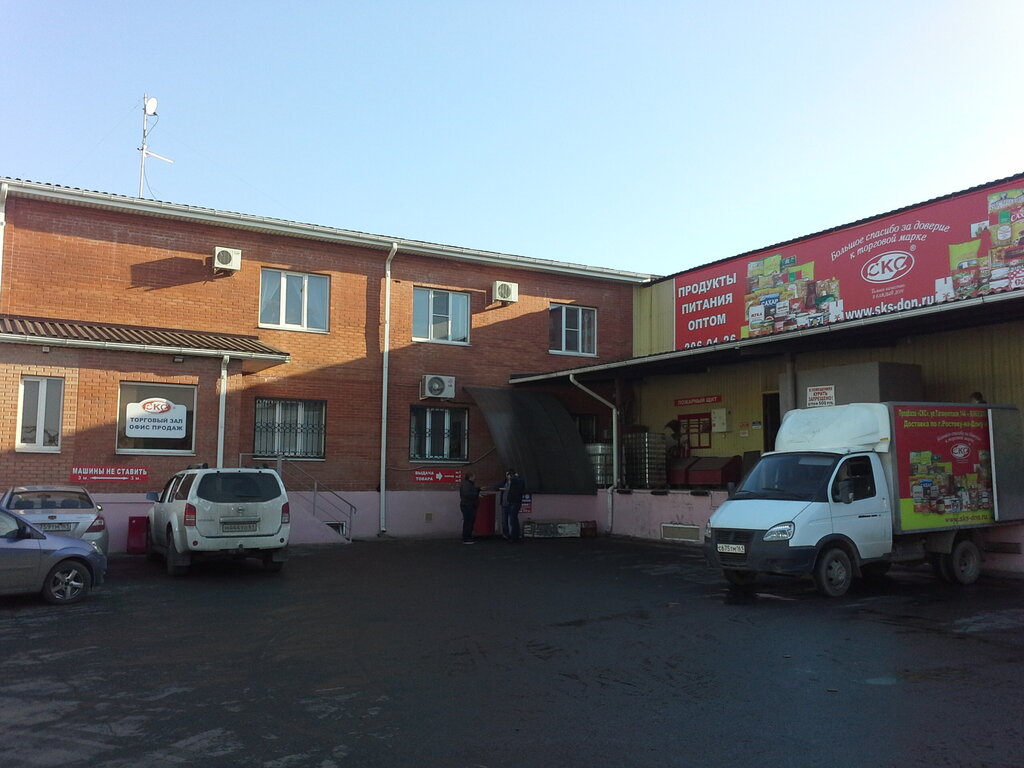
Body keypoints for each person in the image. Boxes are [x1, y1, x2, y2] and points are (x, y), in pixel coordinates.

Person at [497, 468, 526, 542]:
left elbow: (518, 484)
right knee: (513, 519)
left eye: (508, 475)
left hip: (514, 502)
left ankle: (514, 536)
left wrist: (513, 478)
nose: (507, 477)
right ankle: (514, 535)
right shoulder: (515, 481)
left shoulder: (517, 481)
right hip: (512, 502)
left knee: (513, 520)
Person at [458, 472, 481, 544]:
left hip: (467, 505)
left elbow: (469, 492)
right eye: (474, 476)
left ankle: (468, 537)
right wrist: (476, 494)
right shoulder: (467, 485)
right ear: (470, 477)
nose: (475, 478)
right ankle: (466, 538)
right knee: (468, 522)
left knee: (469, 521)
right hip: (468, 505)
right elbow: (468, 494)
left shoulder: (467, 484)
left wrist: (478, 489)